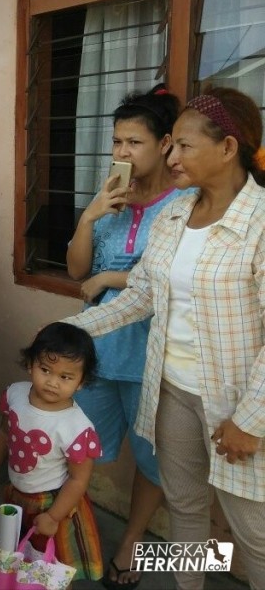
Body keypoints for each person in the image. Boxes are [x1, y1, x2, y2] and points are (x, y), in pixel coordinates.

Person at [64, 86, 265, 590]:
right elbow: (143, 295)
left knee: (254, 533)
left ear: (228, 148)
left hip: (237, 404)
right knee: (185, 507)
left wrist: (250, 420)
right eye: (171, 145)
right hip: (172, 390)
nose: (172, 157)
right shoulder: (176, 216)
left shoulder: (259, 222)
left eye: (184, 146)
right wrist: (69, 331)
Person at [65, 84, 185, 590]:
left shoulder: (185, 204)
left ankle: (132, 543)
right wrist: (90, 216)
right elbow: (77, 271)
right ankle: (68, 532)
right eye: (117, 141)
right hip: (97, 351)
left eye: (134, 142)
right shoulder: (109, 197)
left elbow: (175, 279)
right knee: (75, 445)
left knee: (153, 460)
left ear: (165, 144)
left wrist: (111, 279)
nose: (122, 152)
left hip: (153, 355)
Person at [0, 322, 103, 583]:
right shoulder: (15, 395)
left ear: (81, 382)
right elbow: (4, 432)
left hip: (52, 503)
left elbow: (78, 479)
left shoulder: (76, 428)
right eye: (45, 369)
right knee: (19, 555)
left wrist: (53, 516)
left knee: (50, 567)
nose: (52, 382)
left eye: (65, 377)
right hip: (17, 495)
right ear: (30, 364)